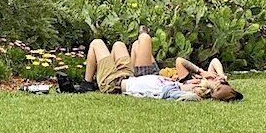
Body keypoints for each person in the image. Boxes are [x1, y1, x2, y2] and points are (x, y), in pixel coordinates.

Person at [131, 25, 243, 102]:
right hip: (157, 77)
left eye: (217, 89)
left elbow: (180, 61)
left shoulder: (189, 81)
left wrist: (201, 72)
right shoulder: (210, 78)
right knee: (137, 45)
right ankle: (130, 78)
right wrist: (220, 74)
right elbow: (214, 61)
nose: (217, 84)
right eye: (222, 84)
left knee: (144, 39)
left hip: (151, 79)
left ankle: (131, 79)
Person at [78, 38, 210, 100]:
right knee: (119, 45)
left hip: (113, 84)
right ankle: (103, 74)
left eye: (196, 84)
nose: (195, 81)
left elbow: (187, 97)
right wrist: (199, 76)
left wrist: (194, 92)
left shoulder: (171, 91)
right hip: (127, 76)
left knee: (96, 43)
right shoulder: (177, 83)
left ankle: (87, 84)